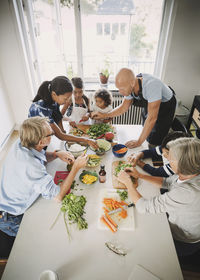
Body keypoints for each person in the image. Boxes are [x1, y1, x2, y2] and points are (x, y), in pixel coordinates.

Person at [0, 117, 88, 237]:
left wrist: (56, 154)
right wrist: (75, 168)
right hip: (12, 217)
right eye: (50, 134)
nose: (53, 134)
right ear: (41, 142)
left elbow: (38, 156)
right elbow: (58, 196)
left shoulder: (23, 141)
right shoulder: (30, 165)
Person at [117, 137, 200, 257]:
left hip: (182, 240)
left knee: (141, 247)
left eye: (171, 158)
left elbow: (144, 207)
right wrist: (140, 175)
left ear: (182, 164)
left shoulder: (187, 192)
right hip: (175, 220)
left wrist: (128, 183)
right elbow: (167, 182)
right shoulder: (190, 173)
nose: (167, 158)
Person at [92, 68, 177, 148]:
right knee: (146, 128)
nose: (120, 92)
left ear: (132, 83)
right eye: (118, 89)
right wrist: (104, 115)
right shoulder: (130, 86)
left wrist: (138, 142)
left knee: (156, 137)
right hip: (151, 103)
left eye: (122, 89)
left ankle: (155, 154)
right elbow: (123, 108)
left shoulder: (152, 85)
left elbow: (152, 118)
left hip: (166, 107)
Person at [28, 76, 98, 149]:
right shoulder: (41, 109)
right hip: (36, 140)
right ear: (54, 94)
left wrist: (62, 130)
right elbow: (60, 136)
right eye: (66, 98)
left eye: (69, 98)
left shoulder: (54, 100)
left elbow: (58, 116)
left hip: (46, 135)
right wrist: (86, 140)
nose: (68, 101)